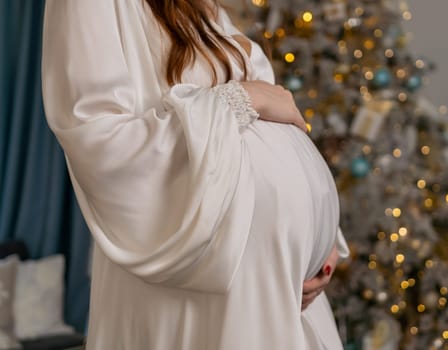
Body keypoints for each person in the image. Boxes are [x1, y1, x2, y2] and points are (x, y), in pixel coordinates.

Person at [42, 0, 350, 349]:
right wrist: (243, 98)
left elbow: (263, 137)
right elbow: (100, 142)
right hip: (202, 277)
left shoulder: (204, 8)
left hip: (280, 281)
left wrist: (321, 237)